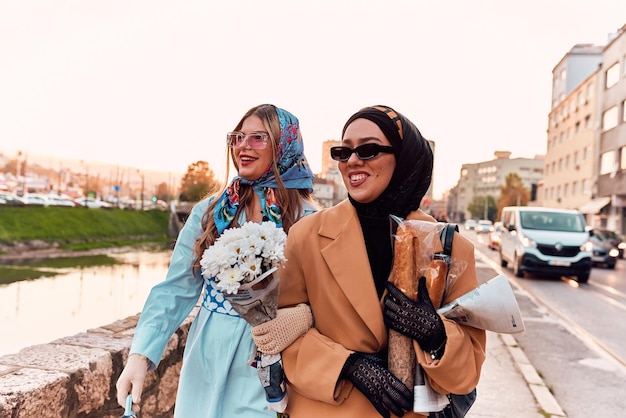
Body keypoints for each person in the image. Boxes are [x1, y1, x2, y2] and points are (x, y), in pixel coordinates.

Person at [261, 105, 486, 418]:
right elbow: (281, 332)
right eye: (343, 151)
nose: (353, 160)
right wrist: (347, 366)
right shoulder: (306, 235)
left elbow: (469, 368)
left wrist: (435, 332)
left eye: (368, 149)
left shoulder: (449, 247)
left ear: (404, 157)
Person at [116, 104, 318, 417]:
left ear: (284, 146)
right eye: (237, 137)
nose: (243, 146)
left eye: (257, 138)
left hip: (271, 359)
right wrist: (139, 355)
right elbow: (176, 289)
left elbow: (327, 302)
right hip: (206, 353)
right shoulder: (211, 212)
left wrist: (304, 317)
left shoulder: (309, 221)